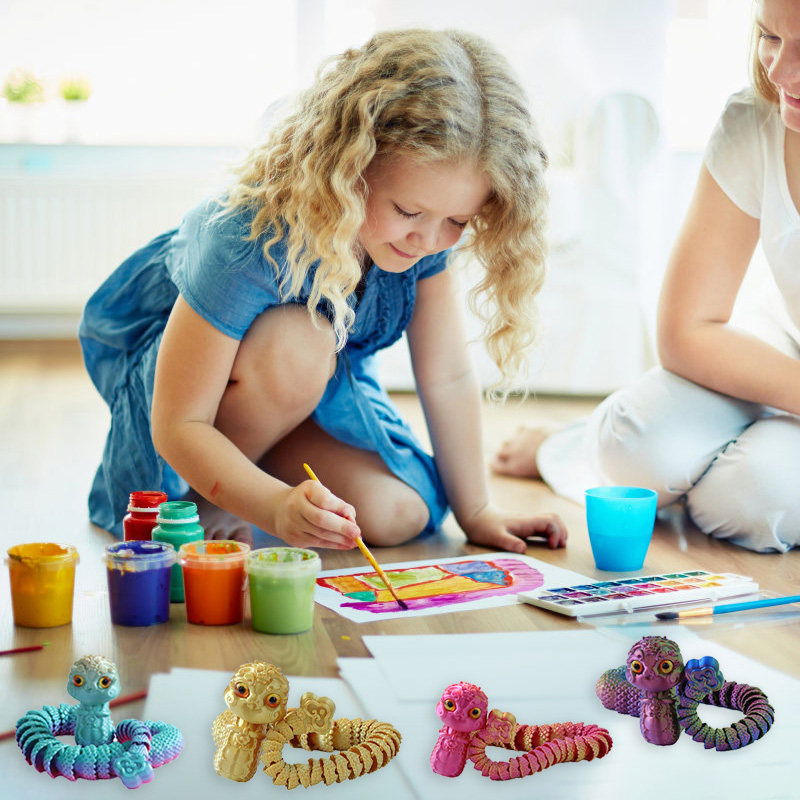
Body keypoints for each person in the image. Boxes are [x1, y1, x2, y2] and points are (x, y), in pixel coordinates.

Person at [79, 28, 567, 553]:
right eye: (408, 211)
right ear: (350, 167)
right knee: (301, 341)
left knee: (398, 514)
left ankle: (253, 473)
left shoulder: (422, 239)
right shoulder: (245, 237)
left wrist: (477, 512)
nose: (429, 241)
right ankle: (207, 493)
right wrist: (271, 506)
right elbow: (179, 423)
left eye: (457, 221)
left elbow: (446, 376)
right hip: (192, 412)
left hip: (307, 399)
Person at [493, 0, 800, 554]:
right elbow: (687, 330)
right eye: (770, 37)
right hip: (785, 352)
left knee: (757, 502)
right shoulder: (755, 121)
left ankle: (710, 472)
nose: (778, 71)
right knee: (630, 446)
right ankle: (569, 446)